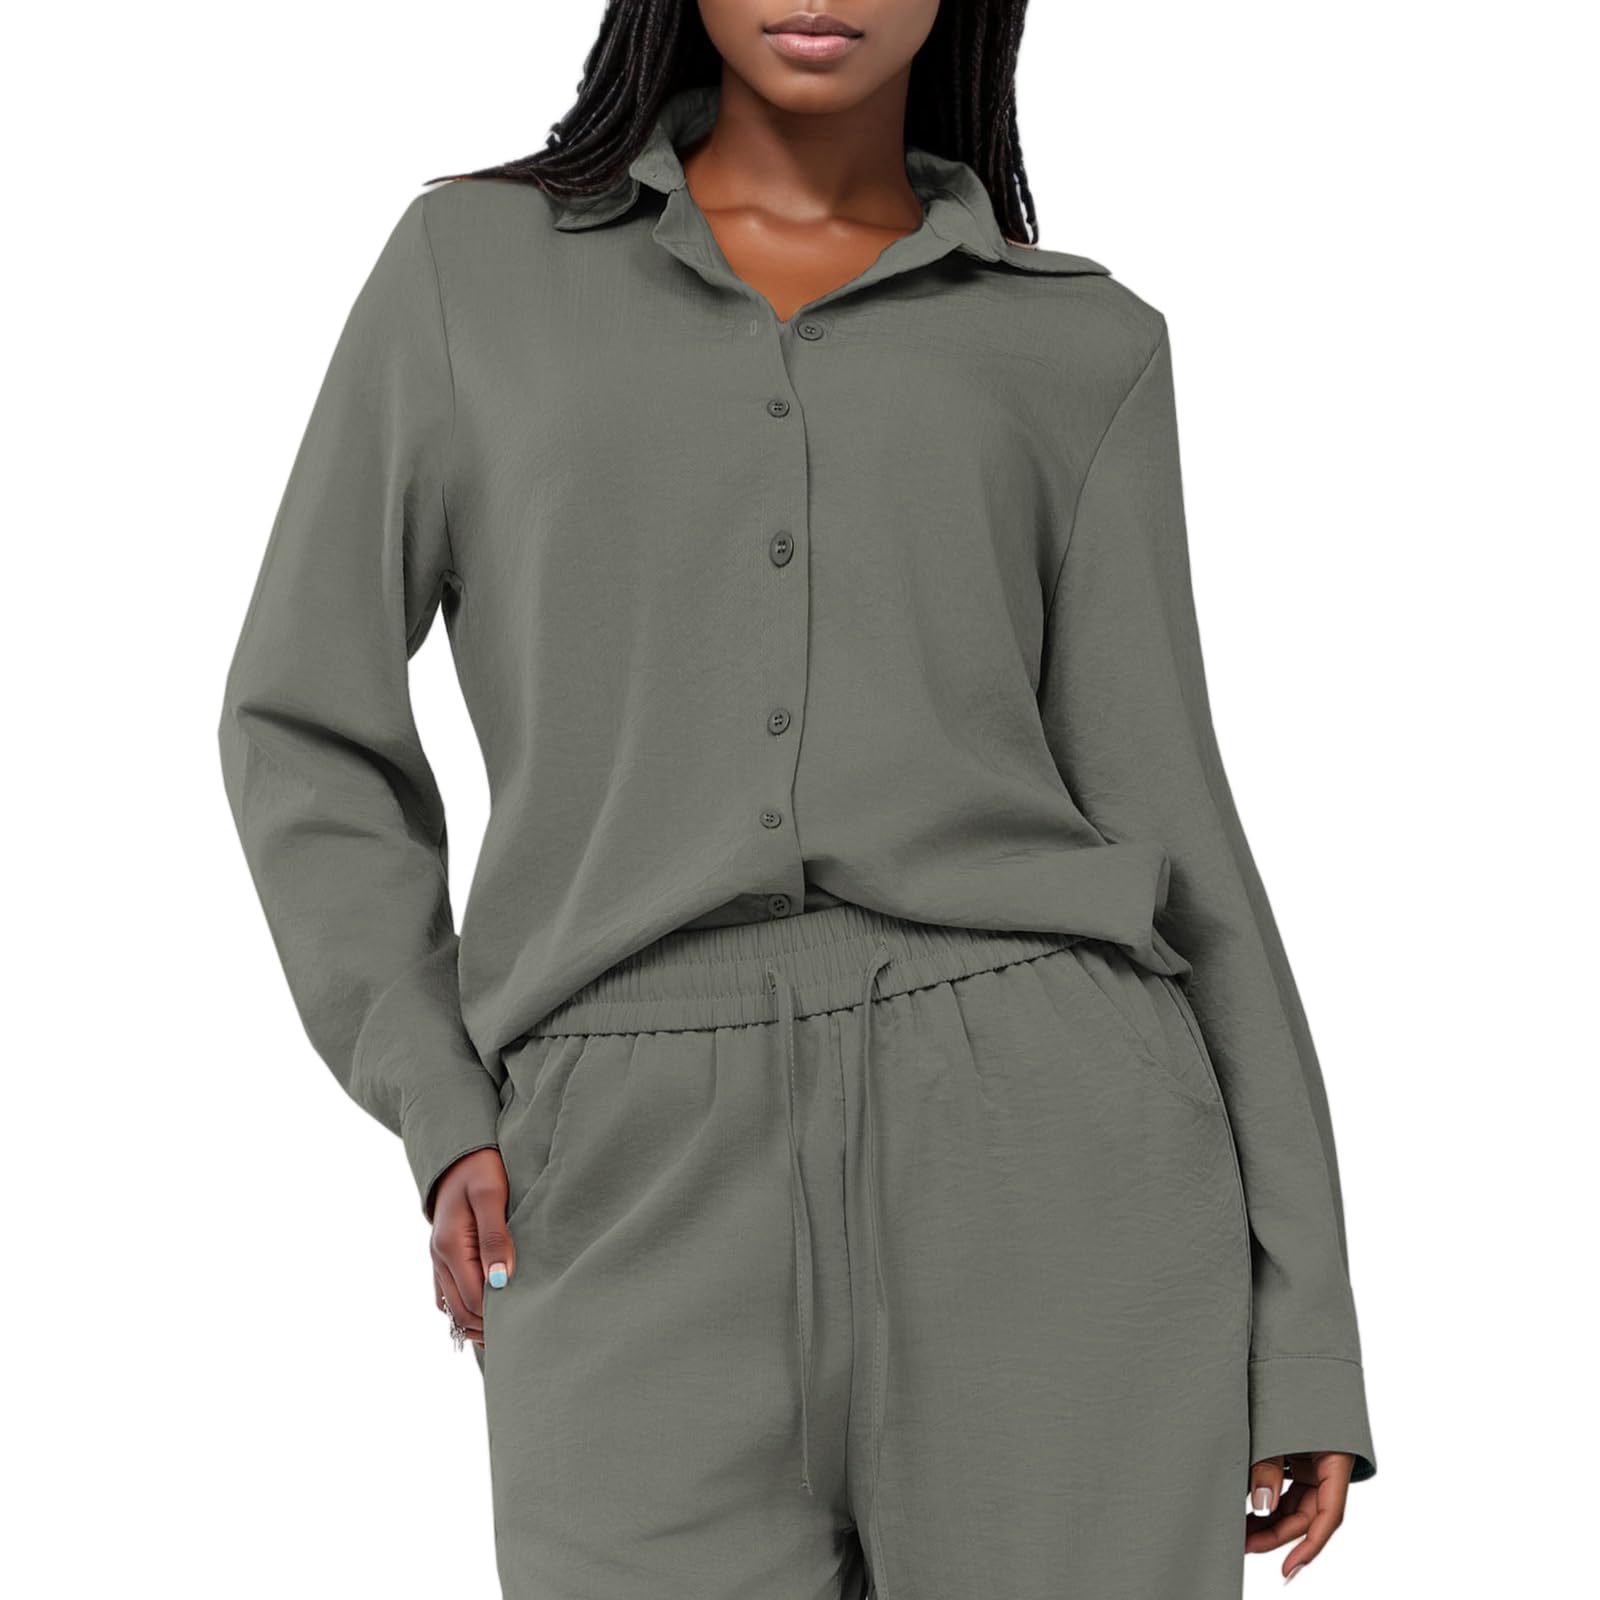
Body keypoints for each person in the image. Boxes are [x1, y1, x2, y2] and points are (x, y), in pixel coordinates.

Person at [217, 2, 1377, 1595]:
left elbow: (1172, 812)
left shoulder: (1083, 346)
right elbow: (303, 722)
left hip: (1051, 1143)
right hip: (620, 1157)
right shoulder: (467, 274)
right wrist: (436, 1097)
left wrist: (1305, 1325)